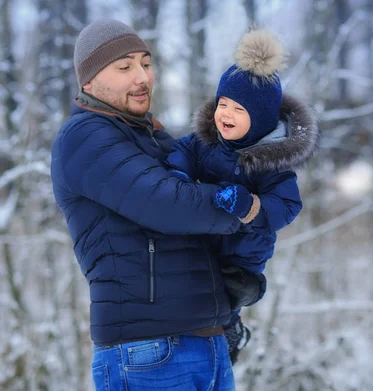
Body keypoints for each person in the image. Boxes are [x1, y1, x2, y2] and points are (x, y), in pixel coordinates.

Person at [50, 19, 254, 390]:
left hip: (205, 341)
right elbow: (170, 206)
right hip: (148, 352)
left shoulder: (154, 138)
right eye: (124, 67)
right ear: (89, 81)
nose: (141, 77)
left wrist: (228, 309)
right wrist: (248, 209)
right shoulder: (83, 137)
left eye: (146, 63)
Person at [165, 29, 319, 364]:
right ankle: (201, 341)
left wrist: (250, 207)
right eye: (222, 104)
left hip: (242, 255)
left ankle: (232, 331)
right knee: (195, 289)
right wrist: (177, 174)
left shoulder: (270, 162)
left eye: (238, 109)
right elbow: (181, 152)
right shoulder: (205, 142)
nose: (226, 115)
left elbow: (288, 204)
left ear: (261, 118)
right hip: (206, 242)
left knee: (226, 296)